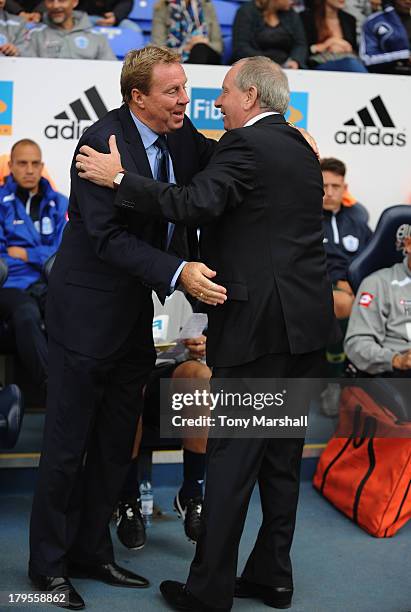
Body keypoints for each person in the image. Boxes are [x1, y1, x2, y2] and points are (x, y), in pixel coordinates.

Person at [76, 56, 336, 612]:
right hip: (304, 330)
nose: (215, 103)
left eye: (222, 93)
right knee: (280, 459)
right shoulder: (299, 147)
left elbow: (195, 203)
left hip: (260, 329)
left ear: (250, 97)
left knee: (231, 463)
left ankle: (208, 592)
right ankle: (274, 576)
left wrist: (118, 178)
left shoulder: (246, 146)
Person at [28, 45, 228, 611]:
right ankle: (46, 567)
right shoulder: (99, 140)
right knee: (67, 448)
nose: (186, 99)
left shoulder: (183, 135)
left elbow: (221, 156)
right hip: (84, 317)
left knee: (116, 447)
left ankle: (91, 552)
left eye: (185, 87)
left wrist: (282, 140)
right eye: (172, 91)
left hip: (133, 320)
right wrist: (178, 271)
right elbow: (107, 238)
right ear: (138, 97)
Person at [117, 290, 211, 549]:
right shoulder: (124, 283)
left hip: (168, 373)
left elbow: (195, 346)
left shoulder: (182, 289)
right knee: (132, 384)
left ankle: (191, 495)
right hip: (127, 376)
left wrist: (199, 347)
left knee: (200, 376)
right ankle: (127, 500)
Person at [0, 139, 68, 389]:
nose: (29, 169)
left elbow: (64, 252)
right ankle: (54, 387)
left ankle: (85, 388)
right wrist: (39, 256)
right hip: (10, 286)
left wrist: (28, 255)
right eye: (22, 163)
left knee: (71, 311)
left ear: (42, 166)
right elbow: (2, 258)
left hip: (48, 283)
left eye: (34, 163)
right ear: (10, 166)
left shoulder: (60, 203)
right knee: (26, 313)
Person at [345, 227, 411, 376]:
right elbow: (357, 344)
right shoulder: (378, 283)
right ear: (408, 245)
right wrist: (397, 360)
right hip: (398, 370)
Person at [321, 157, 372, 321]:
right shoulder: (306, 220)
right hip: (324, 284)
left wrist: (356, 282)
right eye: (324, 186)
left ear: (345, 188)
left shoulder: (358, 221)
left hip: (356, 283)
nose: (329, 193)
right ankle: (338, 348)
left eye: (335, 186)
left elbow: (371, 257)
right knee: (342, 302)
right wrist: (337, 281)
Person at [25, 0, 116, 60]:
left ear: (75, 2)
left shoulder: (96, 37)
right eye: (50, 1)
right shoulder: (34, 35)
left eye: (62, 0)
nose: (55, 5)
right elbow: (28, 72)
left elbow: (109, 71)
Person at [232, 0, 307, 68]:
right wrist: (267, 63)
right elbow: (241, 47)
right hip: (253, 67)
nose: (293, 1)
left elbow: (300, 43)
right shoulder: (246, 12)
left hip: (286, 66)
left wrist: (295, 60)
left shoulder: (291, 13)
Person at [301, 0, 368, 71]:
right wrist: (327, 44)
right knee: (351, 63)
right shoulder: (307, 18)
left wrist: (345, 47)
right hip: (319, 64)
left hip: (347, 61)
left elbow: (353, 49)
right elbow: (301, 48)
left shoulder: (349, 19)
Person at [151, 0, 223, 64]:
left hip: (206, 54)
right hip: (173, 57)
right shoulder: (162, 7)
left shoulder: (206, 5)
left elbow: (218, 47)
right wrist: (186, 47)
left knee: (200, 49)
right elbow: (158, 47)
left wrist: (203, 42)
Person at [77, 0, 141, 31]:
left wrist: (116, 16)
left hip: (116, 19)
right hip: (87, 17)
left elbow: (126, 2)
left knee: (134, 30)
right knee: (80, 26)